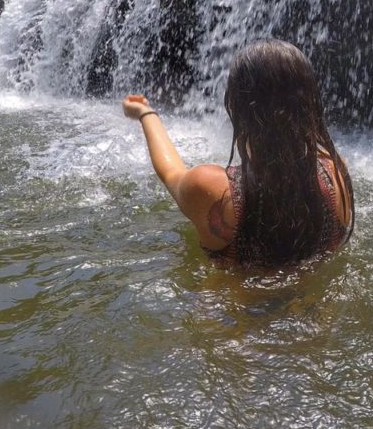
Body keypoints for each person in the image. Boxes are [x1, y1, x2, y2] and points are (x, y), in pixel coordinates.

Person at [122, 39, 354, 268]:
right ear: (310, 104)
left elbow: (170, 170)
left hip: (230, 305)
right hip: (315, 305)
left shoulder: (212, 190)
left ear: (235, 106)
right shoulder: (337, 175)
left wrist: (146, 113)